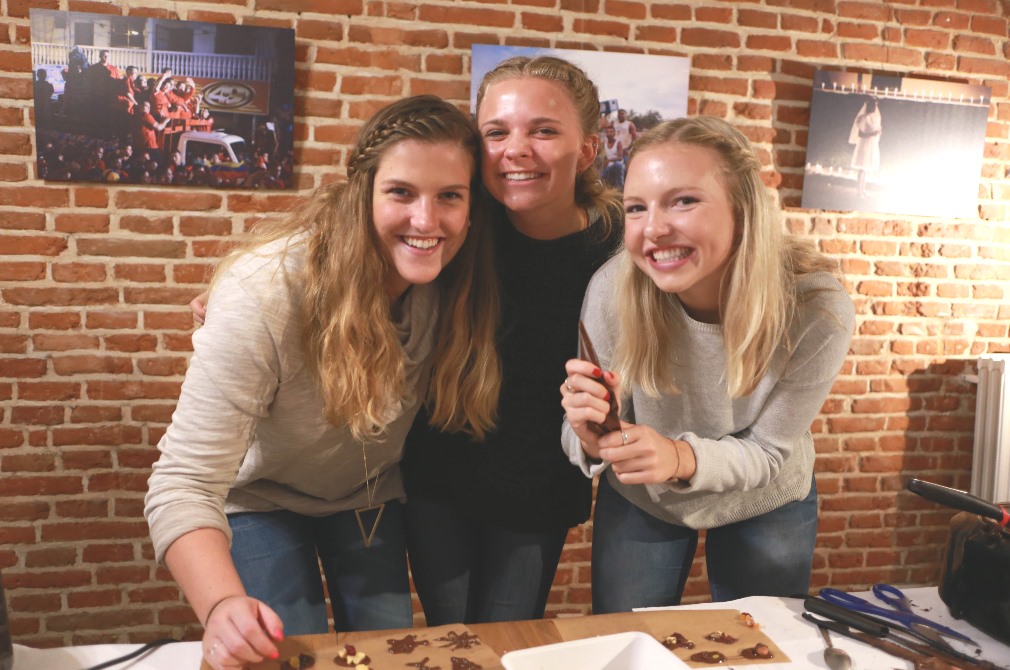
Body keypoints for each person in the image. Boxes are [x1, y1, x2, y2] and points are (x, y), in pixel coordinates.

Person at [146, 95, 500, 670]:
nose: (426, 220)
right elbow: (181, 482)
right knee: (289, 654)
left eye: (450, 196)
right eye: (401, 192)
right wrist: (221, 607)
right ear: (362, 193)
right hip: (259, 497)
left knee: (388, 655)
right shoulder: (267, 290)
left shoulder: (451, 279)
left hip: (365, 494)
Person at [560, 116, 855, 613]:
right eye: (636, 207)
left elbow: (768, 453)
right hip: (645, 497)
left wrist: (680, 457)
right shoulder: (613, 287)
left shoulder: (815, 306)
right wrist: (588, 437)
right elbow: (590, 430)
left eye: (683, 201)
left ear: (744, 208)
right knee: (624, 639)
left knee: (762, 646)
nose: (653, 228)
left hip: (765, 496)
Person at [400, 56, 624, 625]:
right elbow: (348, 232)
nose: (515, 149)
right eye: (496, 132)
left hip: (540, 488)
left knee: (506, 643)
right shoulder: (455, 218)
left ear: (589, 150)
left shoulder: (622, 244)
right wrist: (229, 287)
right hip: (439, 472)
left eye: (543, 130)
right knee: (449, 643)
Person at [849, 96, 882, 198]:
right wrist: (872, 134)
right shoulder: (863, 118)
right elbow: (861, 134)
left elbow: (878, 129)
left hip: (872, 145)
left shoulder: (876, 117)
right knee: (862, 169)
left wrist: (878, 133)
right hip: (864, 145)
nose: (874, 107)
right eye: (873, 105)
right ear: (869, 106)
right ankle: (859, 190)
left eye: (875, 105)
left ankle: (863, 188)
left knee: (866, 169)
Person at [600, 126, 625, 190]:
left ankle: (620, 188)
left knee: (618, 164)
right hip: (608, 166)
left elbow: (620, 157)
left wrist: (609, 160)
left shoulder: (618, 143)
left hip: (617, 165)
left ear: (614, 133)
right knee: (600, 177)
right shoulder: (604, 144)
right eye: (607, 132)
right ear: (606, 134)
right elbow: (602, 156)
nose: (609, 133)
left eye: (611, 132)